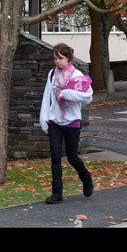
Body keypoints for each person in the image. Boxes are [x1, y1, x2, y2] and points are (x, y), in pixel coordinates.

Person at [39, 43, 94, 204]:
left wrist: (68, 94)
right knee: (55, 157)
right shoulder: (52, 75)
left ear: (68, 58)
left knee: (72, 157)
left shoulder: (76, 75)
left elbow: (87, 97)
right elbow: (46, 98)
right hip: (54, 121)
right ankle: (57, 194)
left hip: (71, 122)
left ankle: (86, 176)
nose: (57, 62)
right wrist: (44, 119)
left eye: (60, 58)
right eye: (55, 58)